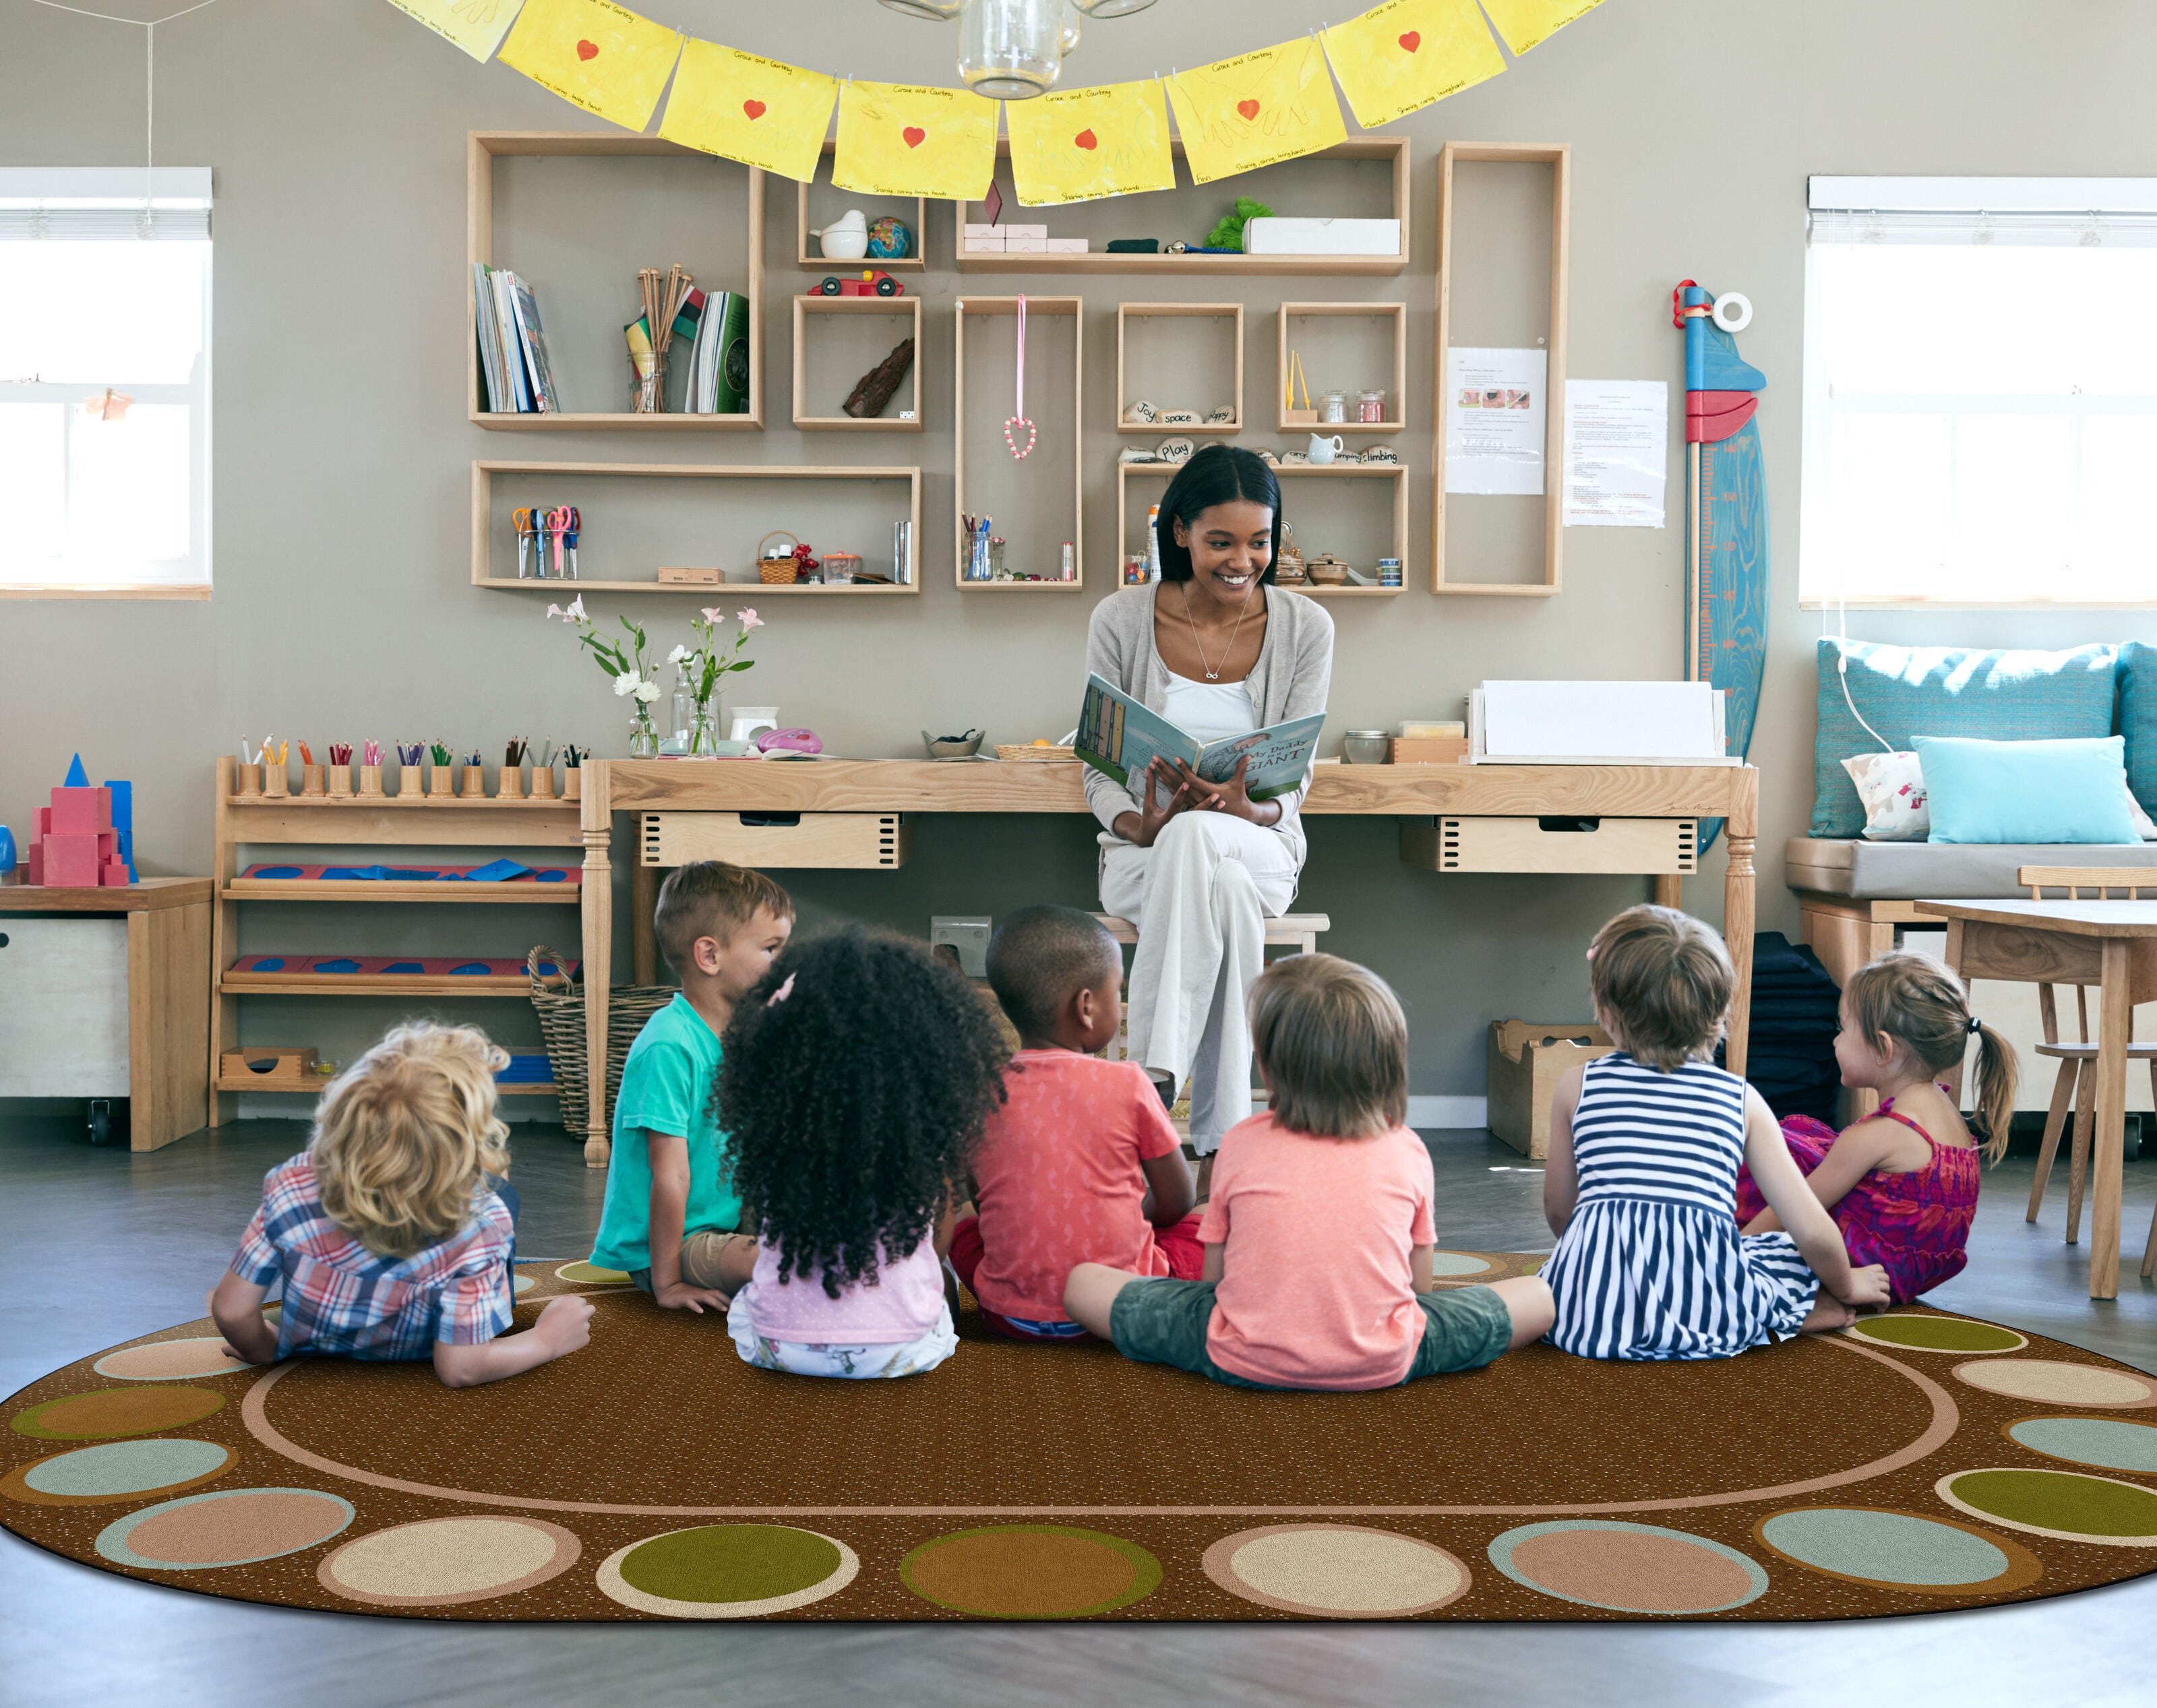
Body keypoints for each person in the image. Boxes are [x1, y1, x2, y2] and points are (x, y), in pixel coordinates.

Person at [1065, 954, 1554, 1391]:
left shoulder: (1240, 1143)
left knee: (1083, 1282)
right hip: (1387, 1358)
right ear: (1386, 1062)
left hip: (1238, 1355)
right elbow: (1419, 1290)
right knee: (1538, 1296)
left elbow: (1214, 1283)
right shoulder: (1408, 1149)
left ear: (1267, 1066)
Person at [1084, 444, 1334, 1166]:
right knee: (1216, 882)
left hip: (1261, 846)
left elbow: (1296, 776)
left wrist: (1251, 811)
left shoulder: (1305, 626)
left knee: (1204, 842)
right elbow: (1098, 764)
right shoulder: (1120, 617)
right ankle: (1224, 1141)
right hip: (1145, 856)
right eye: (1220, 541)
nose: (1242, 560)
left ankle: (1152, 1078)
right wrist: (1136, 822)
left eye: (1259, 541)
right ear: (1180, 531)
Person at [1541, 906, 1892, 1361]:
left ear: (1607, 1014)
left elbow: (1559, 1212)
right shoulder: (1740, 1099)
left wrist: (1599, 1256)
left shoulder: (1577, 1085)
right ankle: (1797, 1312)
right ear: (1721, 1012)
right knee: (1779, 1252)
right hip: (1709, 1311)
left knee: (1557, 1276)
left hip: (1587, 1314)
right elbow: (1813, 1232)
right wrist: (1848, 1285)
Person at [208, 1023, 593, 1388]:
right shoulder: (482, 1225)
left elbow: (231, 1310)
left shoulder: (291, 1185)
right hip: (421, 1354)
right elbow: (462, 1368)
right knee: (501, 1190)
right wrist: (546, 1339)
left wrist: (263, 1348)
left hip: (318, 1348)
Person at [719, 927, 1008, 1379]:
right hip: (902, 1350)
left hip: (782, 1347)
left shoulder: (778, 1135)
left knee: (749, 1301)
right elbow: (937, 1242)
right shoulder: (921, 1140)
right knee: (941, 1279)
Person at [950, 906, 1201, 1342]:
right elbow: (1178, 1201)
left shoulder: (979, 1090)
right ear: (1086, 1007)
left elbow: (981, 1197)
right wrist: (1132, 1216)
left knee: (962, 1222)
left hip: (1007, 1315)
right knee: (1206, 1219)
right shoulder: (1129, 1083)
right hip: (1121, 1308)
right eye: (1117, 991)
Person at [1738, 952, 2018, 1304]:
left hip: (1865, 1269)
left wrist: (1732, 1257)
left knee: (1774, 1160)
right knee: (1807, 1147)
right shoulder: (1946, 1113)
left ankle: (1812, 1300)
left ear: (1883, 1048)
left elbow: (1793, 1211)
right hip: (1909, 1270)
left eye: (1843, 1029)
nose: (1835, 1041)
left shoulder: (1880, 1135)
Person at [588, 861, 793, 1310]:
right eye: (771, 949)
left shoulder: (743, 1034)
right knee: (787, 1265)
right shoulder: (669, 1045)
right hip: (672, 1245)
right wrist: (669, 1284)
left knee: (829, 1241)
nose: (784, 965)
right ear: (710, 956)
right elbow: (672, 1175)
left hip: (727, 1222)